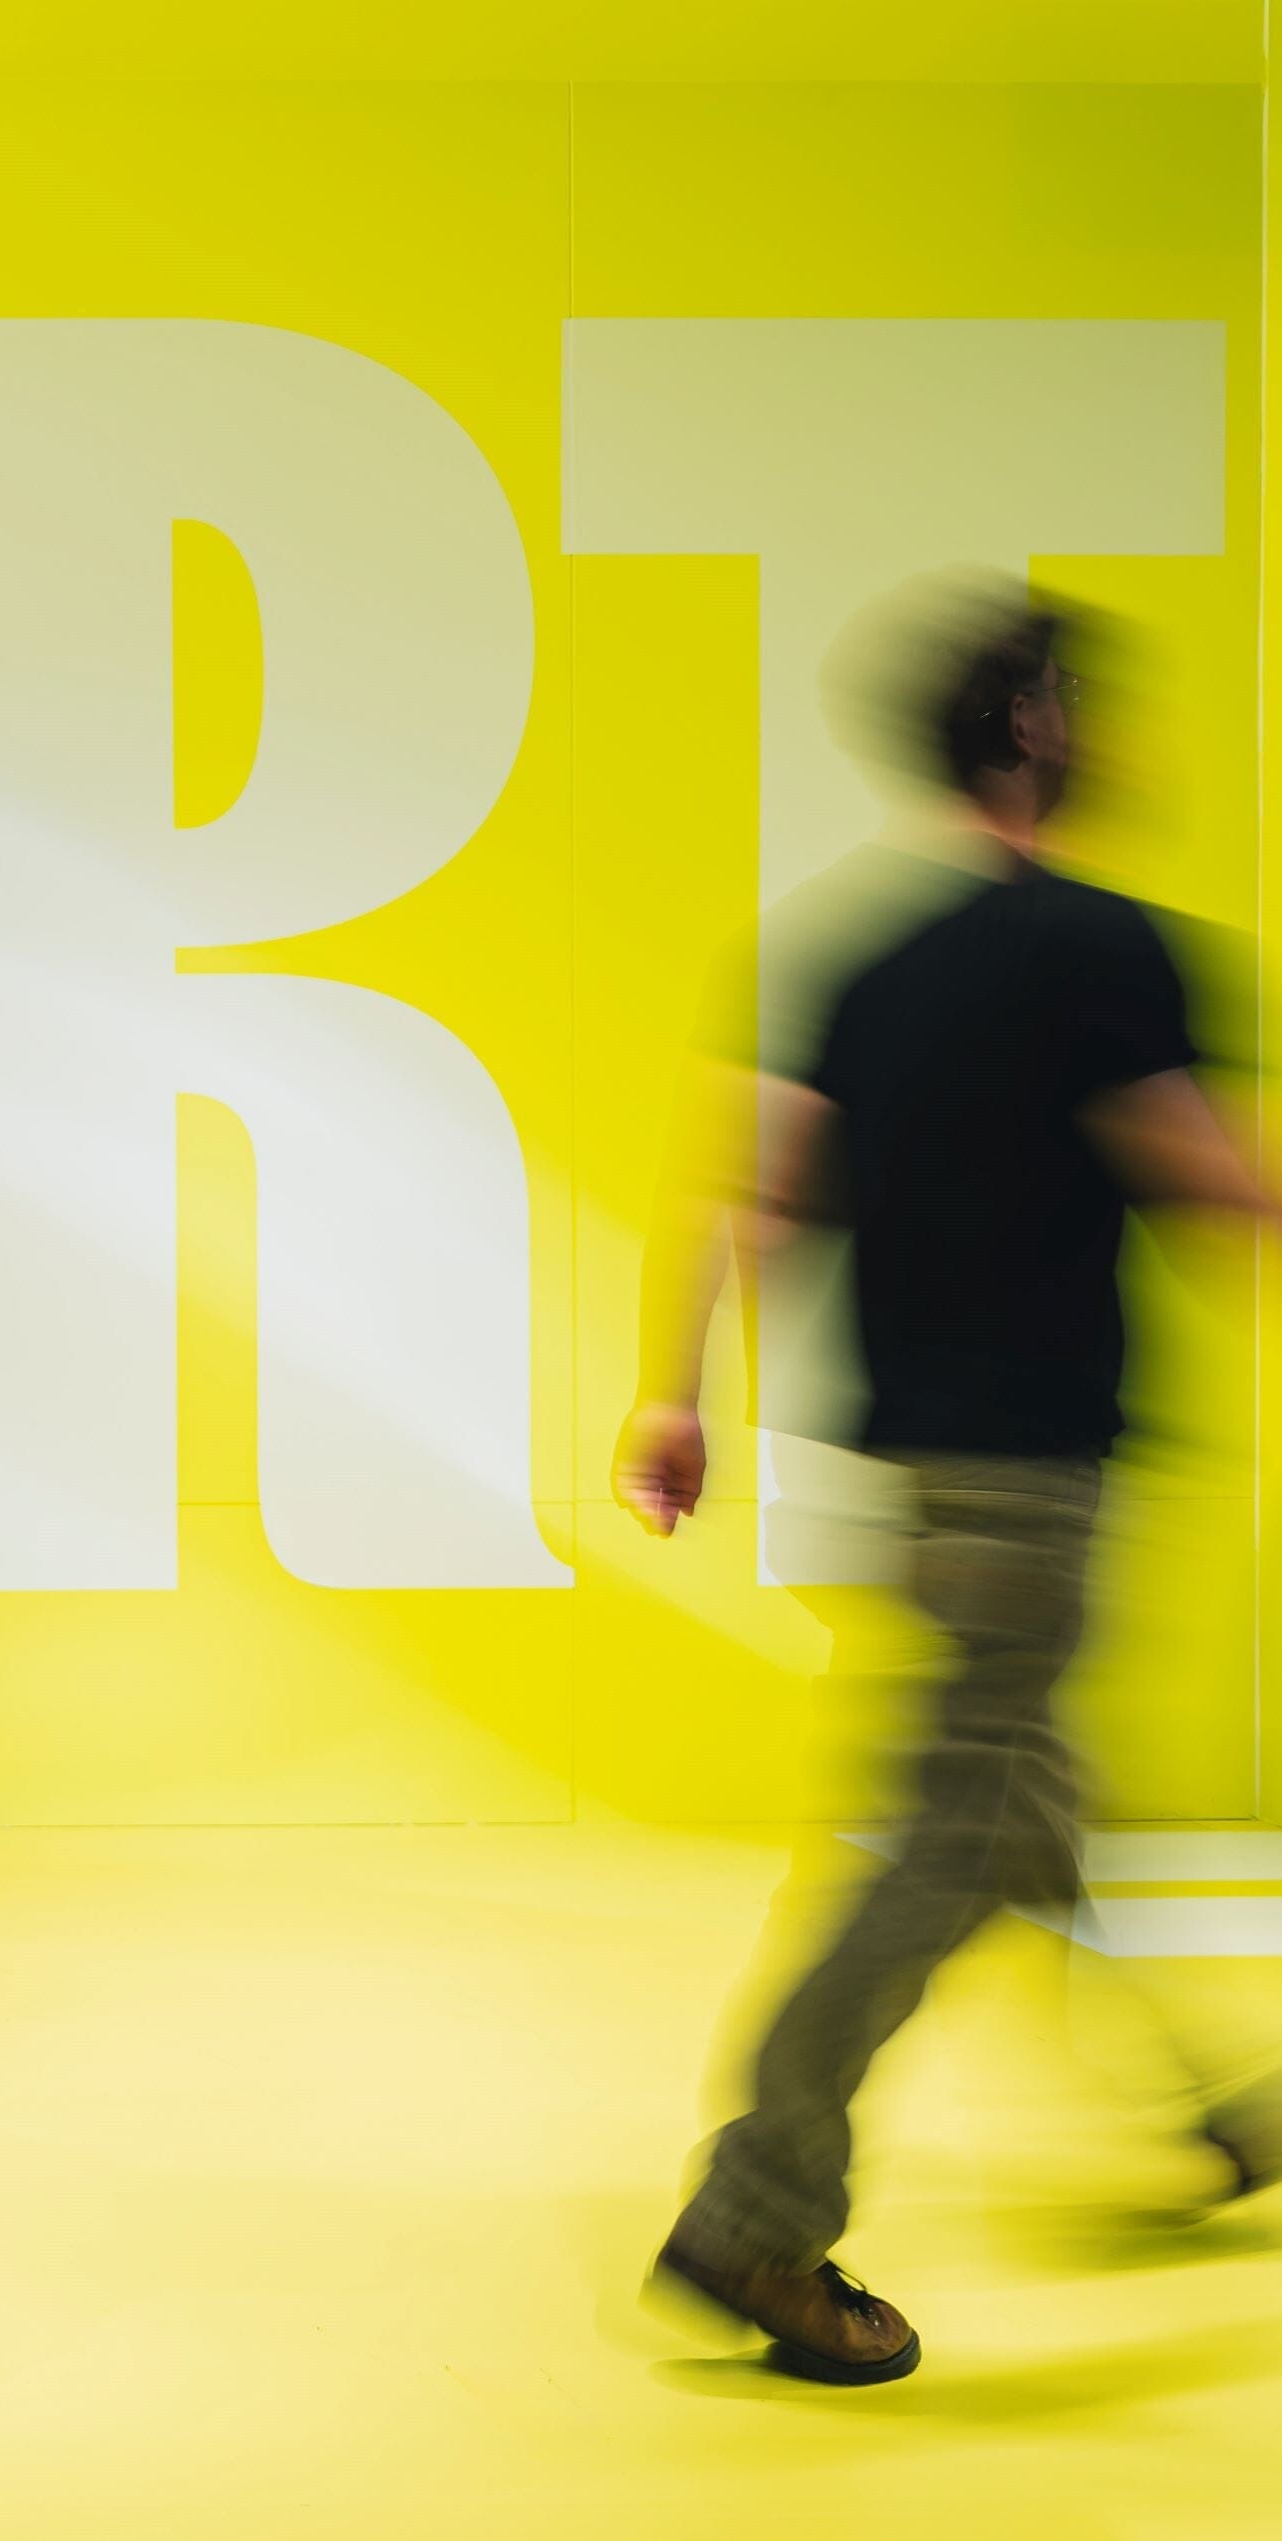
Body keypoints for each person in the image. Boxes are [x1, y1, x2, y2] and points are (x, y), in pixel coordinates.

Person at [619, 589, 1281, 2386]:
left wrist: (668, 1397)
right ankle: (757, 2211)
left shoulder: (855, 958)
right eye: (1085, 698)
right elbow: (1217, 1187)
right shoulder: (1103, 951)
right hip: (1027, 1476)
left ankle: (1234, 2103)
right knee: (943, 1842)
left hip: (896, 1473)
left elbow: (747, 1193)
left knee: (1024, 1799)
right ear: (1040, 724)